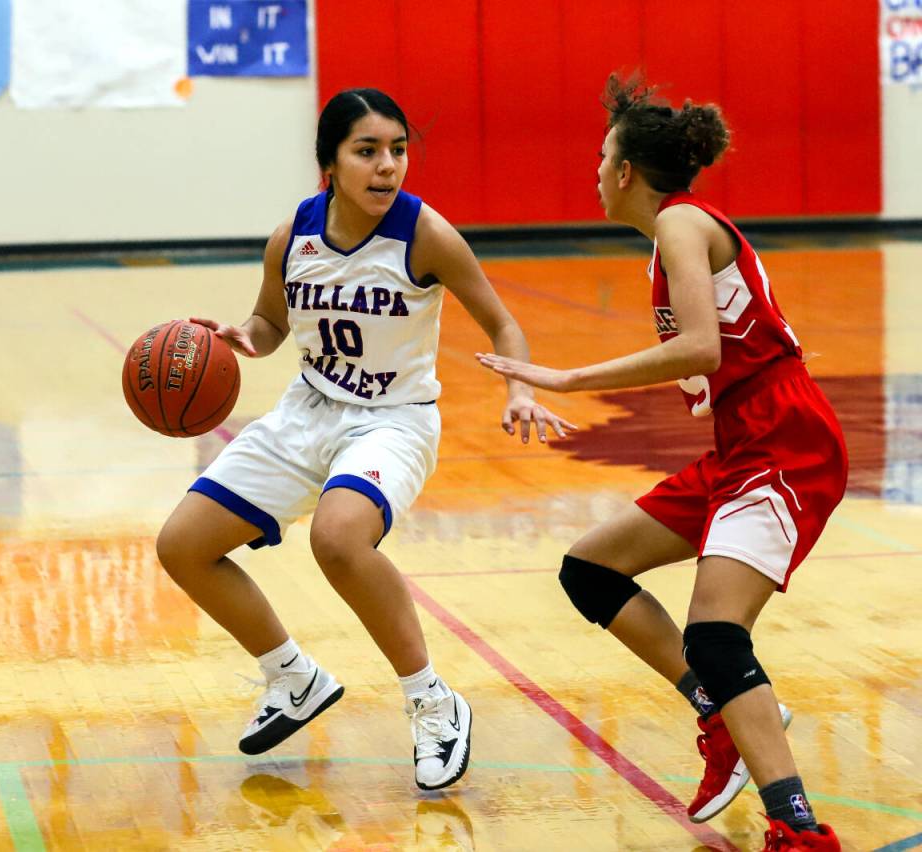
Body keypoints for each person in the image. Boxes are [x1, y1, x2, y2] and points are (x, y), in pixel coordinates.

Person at [156, 88, 575, 791]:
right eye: (368, 151)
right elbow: (268, 326)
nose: (388, 168)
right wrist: (239, 341)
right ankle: (293, 678)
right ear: (329, 163)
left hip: (393, 421)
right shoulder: (294, 235)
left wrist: (521, 388)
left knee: (339, 537)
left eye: (398, 150)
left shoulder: (425, 235)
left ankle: (433, 702)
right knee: (182, 546)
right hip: (307, 411)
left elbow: (504, 325)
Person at [477, 73, 847, 850]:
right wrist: (712, 387)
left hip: (785, 445)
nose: (595, 167)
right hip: (744, 438)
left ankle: (799, 828)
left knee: (716, 633)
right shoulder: (674, 236)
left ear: (626, 172)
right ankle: (717, 717)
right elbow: (733, 339)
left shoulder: (680, 222)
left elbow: (704, 344)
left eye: (602, 154)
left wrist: (566, 376)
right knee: (591, 569)